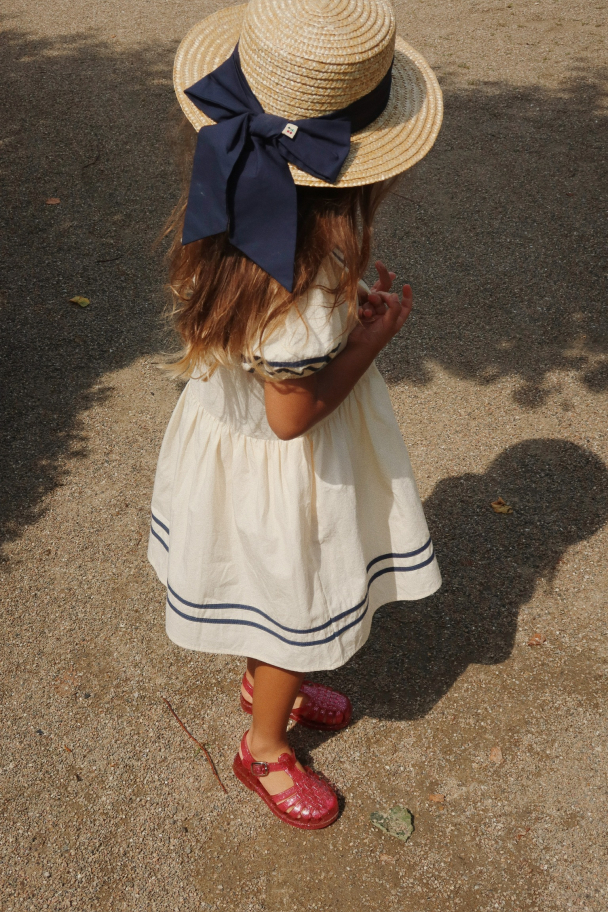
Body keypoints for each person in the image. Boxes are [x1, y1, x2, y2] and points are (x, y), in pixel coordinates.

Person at [148, 0, 444, 829]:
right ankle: (264, 744)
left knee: (269, 585)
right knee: (295, 602)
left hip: (228, 441)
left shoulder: (224, 199)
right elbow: (291, 419)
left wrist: (341, 323)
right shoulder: (305, 286)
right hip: (285, 467)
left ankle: (262, 677)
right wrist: (367, 342)